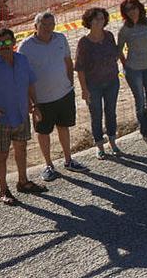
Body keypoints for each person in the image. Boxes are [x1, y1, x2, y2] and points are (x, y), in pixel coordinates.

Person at [18, 12, 89, 182]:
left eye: (51, 24)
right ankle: (49, 165)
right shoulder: (25, 46)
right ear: (35, 26)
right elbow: (22, 76)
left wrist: (70, 84)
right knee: (43, 132)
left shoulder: (60, 38)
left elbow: (68, 61)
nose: (48, 28)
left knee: (64, 127)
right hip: (41, 100)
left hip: (64, 94)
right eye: (44, 24)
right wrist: (29, 101)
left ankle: (68, 160)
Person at [0, 28, 48, 205]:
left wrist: (35, 105)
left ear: (13, 42)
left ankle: (23, 182)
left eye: (7, 42)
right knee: (2, 156)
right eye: (0, 43)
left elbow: (29, 84)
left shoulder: (22, 60)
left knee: (21, 150)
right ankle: (4, 190)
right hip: (0, 121)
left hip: (20, 117)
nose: (4, 46)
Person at [75, 7, 121, 159]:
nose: (99, 21)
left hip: (112, 82)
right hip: (93, 85)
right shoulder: (84, 43)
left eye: (101, 18)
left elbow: (115, 54)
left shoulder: (109, 36)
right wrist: (84, 89)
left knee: (111, 113)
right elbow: (80, 68)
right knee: (96, 115)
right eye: (95, 19)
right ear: (89, 21)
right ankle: (99, 146)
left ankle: (113, 142)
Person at [117, 0, 147, 146]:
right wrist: (126, 65)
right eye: (128, 9)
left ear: (139, 7)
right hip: (133, 70)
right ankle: (146, 132)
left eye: (134, 7)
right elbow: (119, 50)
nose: (132, 11)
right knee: (140, 102)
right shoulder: (124, 30)